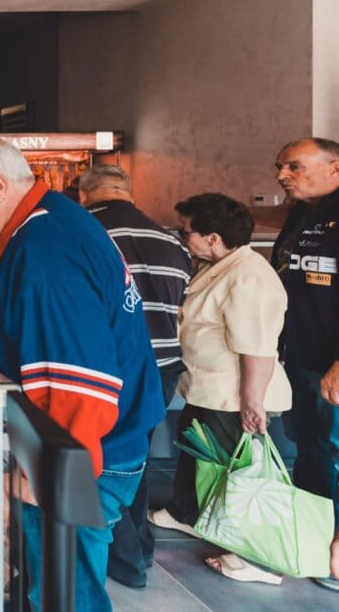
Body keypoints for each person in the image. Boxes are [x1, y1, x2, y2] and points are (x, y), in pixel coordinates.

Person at [0, 132, 164, 612]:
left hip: (78, 456)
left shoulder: (46, 254)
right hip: (73, 448)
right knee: (48, 585)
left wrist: (36, 482)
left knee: (64, 593)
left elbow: (79, 393)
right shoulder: (44, 227)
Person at [147, 193, 291, 585]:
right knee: (194, 449)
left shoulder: (249, 276)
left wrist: (251, 402)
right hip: (209, 388)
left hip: (234, 393)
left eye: (186, 231)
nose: (181, 238)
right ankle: (186, 513)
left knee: (242, 472)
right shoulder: (219, 266)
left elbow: (258, 348)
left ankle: (258, 558)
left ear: (212, 237)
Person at [79, 164, 192, 589]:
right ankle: (139, 552)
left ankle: (119, 556)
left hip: (109, 367)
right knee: (136, 462)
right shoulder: (170, 240)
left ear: (84, 194)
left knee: (102, 463)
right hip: (162, 368)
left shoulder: (82, 230)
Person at [272, 137, 339, 591]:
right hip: (299, 359)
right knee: (310, 454)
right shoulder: (300, 214)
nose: (282, 175)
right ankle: (316, 544)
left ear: (335, 167)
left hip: (331, 366)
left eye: (294, 166)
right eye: (280, 167)